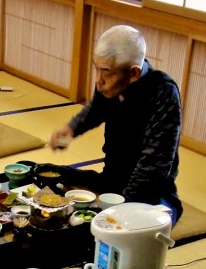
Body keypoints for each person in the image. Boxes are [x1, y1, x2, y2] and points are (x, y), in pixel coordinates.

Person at [49, 25, 183, 224]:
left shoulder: (163, 92)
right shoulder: (112, 84)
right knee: (47, 173)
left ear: (134, 73)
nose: (98, 80)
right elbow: (96, 110)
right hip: (111, 180)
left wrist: (121, 208)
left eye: (106, 72)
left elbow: (154, 165)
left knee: (142, 227)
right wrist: (71, 129)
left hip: (150, 192)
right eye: (96, 68)